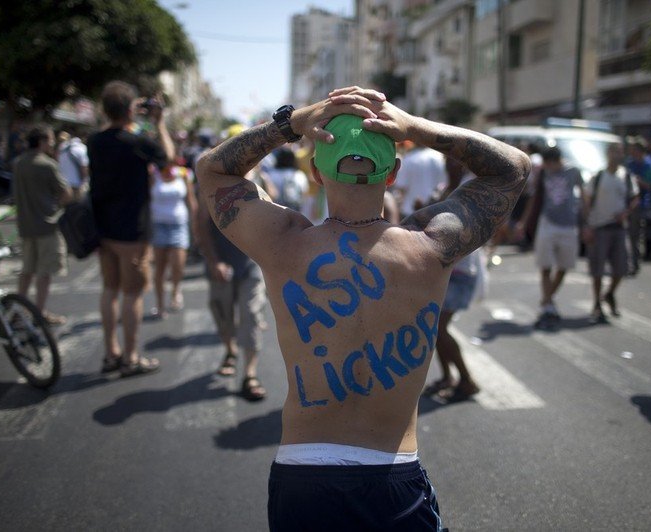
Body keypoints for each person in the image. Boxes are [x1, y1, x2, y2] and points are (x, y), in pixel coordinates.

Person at [196, 87, 529, 530]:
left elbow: (212, 170)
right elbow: (512, 169)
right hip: (391, 474)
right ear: (391, 175)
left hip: (302, 477)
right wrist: (414, 127)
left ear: (316, 172)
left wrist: (292, 123)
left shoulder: (282, 242)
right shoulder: (430, 246)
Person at [87, 80, 174, 377]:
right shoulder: (137, 141)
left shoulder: (94, 141)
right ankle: (131, 357)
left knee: (109, 290)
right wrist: (159, 123)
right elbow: (168, 160)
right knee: (133, 294)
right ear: (129, 109)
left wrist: (130, 114)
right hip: (132, 230)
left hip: (102, 228)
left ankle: (111, 352)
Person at [196, 182, 267, 401]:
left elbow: (273, 218)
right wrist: (213, 261)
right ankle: (231, 350)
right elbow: (200, 225)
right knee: (223, 315)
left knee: (251, 313)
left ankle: (250, 374)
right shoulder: (211, 179)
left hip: (252, 263)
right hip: (222, 263)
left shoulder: (258, 179)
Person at [425, 156, 481, 401]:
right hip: (443, 269)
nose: (451, 166)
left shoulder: (467, 192)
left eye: (456, 162)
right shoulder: (445, 189)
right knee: (435, 328)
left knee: (439, 327)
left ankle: (467, 380)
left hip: (459, 270)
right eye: (448, 161)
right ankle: (448, 376)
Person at [515, 146, 584, 328]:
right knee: (545, 266)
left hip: (569, 224)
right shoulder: (544, 173)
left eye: (548, 164)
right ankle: (548, 305)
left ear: (556, 161)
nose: (546, 167)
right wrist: (524, 221)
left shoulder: (573, 171)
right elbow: (535, 197)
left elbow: (584, 196)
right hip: (548, 223)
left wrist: (586, 222)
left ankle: (547, 299)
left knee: (564, 266)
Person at [12, 125, 73, 325]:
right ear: (42, 141)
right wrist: (57, 205)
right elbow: (66, 193)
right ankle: (39, 312)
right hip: (47, 225)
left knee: (27, 271)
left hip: (25, 225)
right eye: (50, 139)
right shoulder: (47, 165)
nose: (53, 143)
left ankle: (17, 310)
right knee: (43, 272)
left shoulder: (18, 163)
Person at [583, 143, 639, 324]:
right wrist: (588, 225)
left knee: (621, 268)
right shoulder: (599, 176)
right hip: (600, 227)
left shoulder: (626, 176)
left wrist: (626, 212)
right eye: (614, 151)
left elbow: (634, 198)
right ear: (607, 154)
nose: (617, 155)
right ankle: (597, 302)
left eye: (620, 152)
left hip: (619, 228)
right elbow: (587, 200)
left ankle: (609, 294)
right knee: (597, 269)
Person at [150, 160, 196, 319]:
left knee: (178, 264)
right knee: (160, 268)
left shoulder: (184, 175)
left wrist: (196, 225)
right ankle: (160, 303)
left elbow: (190, 200)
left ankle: (176, 289)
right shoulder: (152, 174)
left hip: (179, 225)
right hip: (158, 225)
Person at [625, 136, 651, 272]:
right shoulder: (629, 163)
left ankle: (635, 262)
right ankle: (625, 262)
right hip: (626, 202)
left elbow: (650, 185)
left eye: (633, 149)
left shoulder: (648, 164)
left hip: (640, 204)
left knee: (635, 234)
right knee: (625, 234)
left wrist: (638, 181)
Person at [393, 141, 447, 217]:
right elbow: (444, 184)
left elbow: (401, 188)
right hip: (434, 210)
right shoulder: (440, 158)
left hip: (410, 211)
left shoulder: (409, 158)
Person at [265, 146, 309, 212]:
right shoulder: (299, 174)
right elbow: (304, 193)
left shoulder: (272, 174)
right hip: (295, 210)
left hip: (276, 209)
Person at [57, 128, 90, 201]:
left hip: (62, 185)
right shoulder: (81, 148)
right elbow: (84, 168)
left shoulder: (62, 147)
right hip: (76, 187)